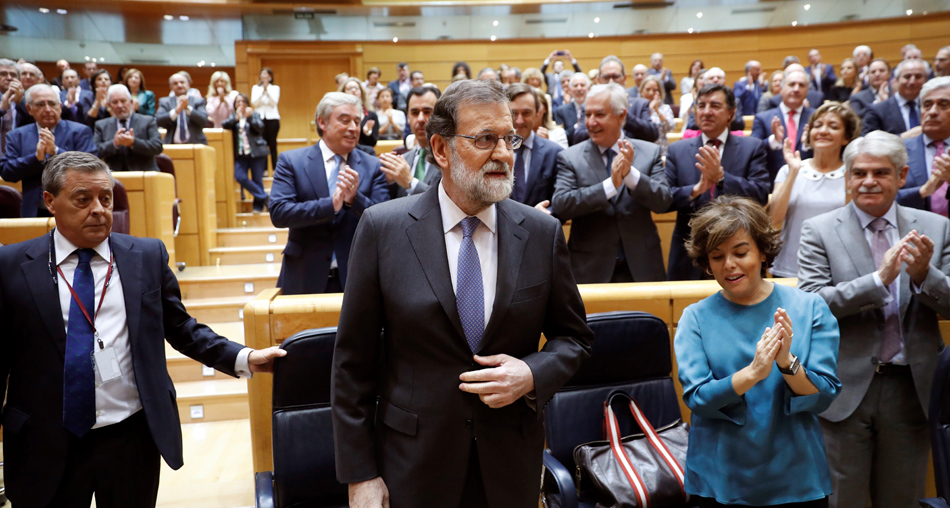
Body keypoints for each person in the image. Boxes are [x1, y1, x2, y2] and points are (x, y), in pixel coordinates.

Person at [331, 78, 593, 508]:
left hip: (510, 463)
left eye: (509, 138)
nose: (505, 154)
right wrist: (361, 474)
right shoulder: (383, 229)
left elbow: (575, 339)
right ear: (440, 150)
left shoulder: (541, 232)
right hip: (414, 464)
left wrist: (531, 374)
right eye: (486, 139)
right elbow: (352, 364)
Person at [0, 151, 285, 508]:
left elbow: (181, 327)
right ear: (49, 202)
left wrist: (244, 356)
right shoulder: (10, 265)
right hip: (45, 439)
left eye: (106, 198)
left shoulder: (146, 256)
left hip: (130, 438)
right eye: (82, 200)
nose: (99, 209)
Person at [797, 130, 950, 508]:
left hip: (910, 390)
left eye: (881, 172)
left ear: (901, 176)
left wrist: (922, 276)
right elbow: (812, 304)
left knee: (902, 499)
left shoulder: (935, 227)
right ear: (847, 178)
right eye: (859, 172)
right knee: (842, 501)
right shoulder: (818, 229)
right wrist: (878, 280)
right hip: (843, 390)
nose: (868, 181)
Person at [675, 195, 840, 508]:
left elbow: (825, 395)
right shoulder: (695, 317)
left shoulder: (809, 308)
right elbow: (698, 399)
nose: (729, 265)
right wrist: (753, 373)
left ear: (763, 252)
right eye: (717, 256)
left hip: (796, 475)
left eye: (740, 252)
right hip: (720, 475)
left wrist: (787, 363)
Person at [269, 92, 389, 295]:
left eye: (357, 121)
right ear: (323, 123)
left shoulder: (372, 165)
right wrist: (329, 206)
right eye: (345, 120)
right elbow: (279, 213)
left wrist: (354, 200)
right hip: (303, 277)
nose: (353, 127)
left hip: (357, 280)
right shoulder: (292, 161)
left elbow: (384, 220)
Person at [552, 83, 670, 283]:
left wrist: (630, 175)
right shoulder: (569, 157)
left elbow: (663, 201)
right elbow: (561, 205)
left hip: (642, 269)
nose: (591, 122)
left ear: (621, 116)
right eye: (587, 115)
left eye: (599, 115)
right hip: (589, 269)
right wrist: (609, 186)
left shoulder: (649, 152)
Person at [665, 83, 769, 281]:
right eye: (701, 106)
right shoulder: (677, 150)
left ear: (731, 113)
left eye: (714, 106)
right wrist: (696, 190)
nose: (706, 112)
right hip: (689, 257)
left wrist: (721, 177)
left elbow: (761, 194)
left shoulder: (752, 147)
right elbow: (664, 199)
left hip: (739, 255)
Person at [769, 102, 861, 278]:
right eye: (817, 125)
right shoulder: (789, 169)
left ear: (846, 138)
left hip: (837, 270)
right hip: (790, 268)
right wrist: (794, 172)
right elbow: (774, 219)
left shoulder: (853, 174)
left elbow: (853, 223)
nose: (823, 131)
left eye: (833, 126)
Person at [2, 84, 97, 217]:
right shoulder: (17, 136)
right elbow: (6, 172)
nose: (47, 109)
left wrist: (56, 151)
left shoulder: (80, 131)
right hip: (33, 211)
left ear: (60, 106)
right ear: (29, 109)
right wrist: (36, 159)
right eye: (40, 104)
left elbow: (92, 168)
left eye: (52, 104)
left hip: (75, 209)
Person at [503, 83, 563, 212]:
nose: (519, 120)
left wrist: (545, 214)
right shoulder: (490, 151)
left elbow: (562, 202)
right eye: (513, 113)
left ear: (537, 114)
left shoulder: (554, 153)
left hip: (539, 229)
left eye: (526, 113)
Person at [752, 68, 816, 187]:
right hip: (773, 184)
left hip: (810, 184)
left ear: (807, 91)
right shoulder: (763, 118)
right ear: (781, 89)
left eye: (801, 85)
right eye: (791, 84)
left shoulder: (817, 117)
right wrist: (774, 140)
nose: (796, 89)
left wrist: (809, 143)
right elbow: (752, 149)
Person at [898, 76, 950, 214]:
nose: (932, 112)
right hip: (913, 232)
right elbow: (881, 199)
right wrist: (922, 192)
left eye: (944, 104)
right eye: (927, 105)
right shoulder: (898, 150)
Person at [379, 86, 442, 199]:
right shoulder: (403, 159)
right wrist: (390, 181)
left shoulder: (450, 159)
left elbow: (442, 202)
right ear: (408, 117)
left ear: (439, 116)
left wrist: (410, 182)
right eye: (415, 113)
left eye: (427, 112)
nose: (420, 119)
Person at [94, 84, 163, 173]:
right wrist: (114, 143)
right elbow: (94, 152)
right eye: (115, 102)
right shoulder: (101, 125)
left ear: (131, 102)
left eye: (123, 101)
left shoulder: (147, 121)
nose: (120, 105)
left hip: (144, 175)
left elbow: (157, 147)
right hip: (114, 178)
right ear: (109, 105)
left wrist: (133, 142)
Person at [861, 59, 927, 138]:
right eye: (907, 77)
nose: (912, 81)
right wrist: (902, 137)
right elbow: (867, 142)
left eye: (918, 77)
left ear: (925, 80)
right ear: (896, 80)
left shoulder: (932, 107)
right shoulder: (877, 110)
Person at [157, 72, 208, 145]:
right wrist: (176, 111)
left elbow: (204, 120)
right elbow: (158, 121)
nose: (179, 85)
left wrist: (187, 108)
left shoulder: (199, 101)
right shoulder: (165, 102)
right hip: (172, 145)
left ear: (188, 85)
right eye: (175, 83)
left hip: (196, 145)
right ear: (171, 87)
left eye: (182, 82)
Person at [251, 67, 280, 173]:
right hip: (259, 120)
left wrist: (267, 92)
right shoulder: (256, 88)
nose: (264, 76)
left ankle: (275, 169)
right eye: (262, 74)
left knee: (272, 144)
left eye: (266, 74)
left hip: (272, 119)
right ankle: (264, 170)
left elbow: (273, 103)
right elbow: (255, 103)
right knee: (262, 144)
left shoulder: (275, 88)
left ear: (270, 76)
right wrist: (262, 92)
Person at [640, 75, 675, 155]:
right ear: (641, 91)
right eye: (648, 89)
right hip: (642, 150)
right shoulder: (637, 107)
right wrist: (649, 108)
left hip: (660, 151)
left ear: (660, 92)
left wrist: (657, 110)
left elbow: (670, 127)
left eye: (655, 90)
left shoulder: (665, 108)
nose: (651, 93)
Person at [340, 77, 379, 150]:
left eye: (356, 88)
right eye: (349, 88)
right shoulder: (338, 115)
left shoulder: (371, 115)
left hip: (365, 154)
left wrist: (367, 133)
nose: (353, 90)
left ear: (361, 92)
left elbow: (373, 143)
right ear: (343, 92)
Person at [554, 72, 589, 146]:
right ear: (570, 89)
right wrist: (576, 126)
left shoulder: (596, 108)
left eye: (582, 85)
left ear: (588, 88)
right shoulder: (561, 111)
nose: (579, 88)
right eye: (575, 86)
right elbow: (560, 136)